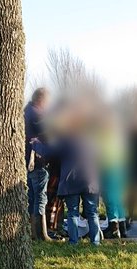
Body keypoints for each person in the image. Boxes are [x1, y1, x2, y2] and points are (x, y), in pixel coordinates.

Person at [30, 106, 103, 247]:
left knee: (72, 213)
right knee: (92, 213)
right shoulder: (92, 140)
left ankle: (74, 242)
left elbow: (49, 152)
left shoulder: (66, 139)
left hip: (71, 180)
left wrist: (36, 144)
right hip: (90, 180)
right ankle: (95, 242)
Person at [24, 88, 54, 242]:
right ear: (42, 101)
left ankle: (33, 232)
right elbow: (50, 135)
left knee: (32, 197)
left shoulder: (27, 112)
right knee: (40, 197)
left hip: (28, 161)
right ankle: (41, 233)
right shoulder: (38, 115)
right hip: (38, 161)